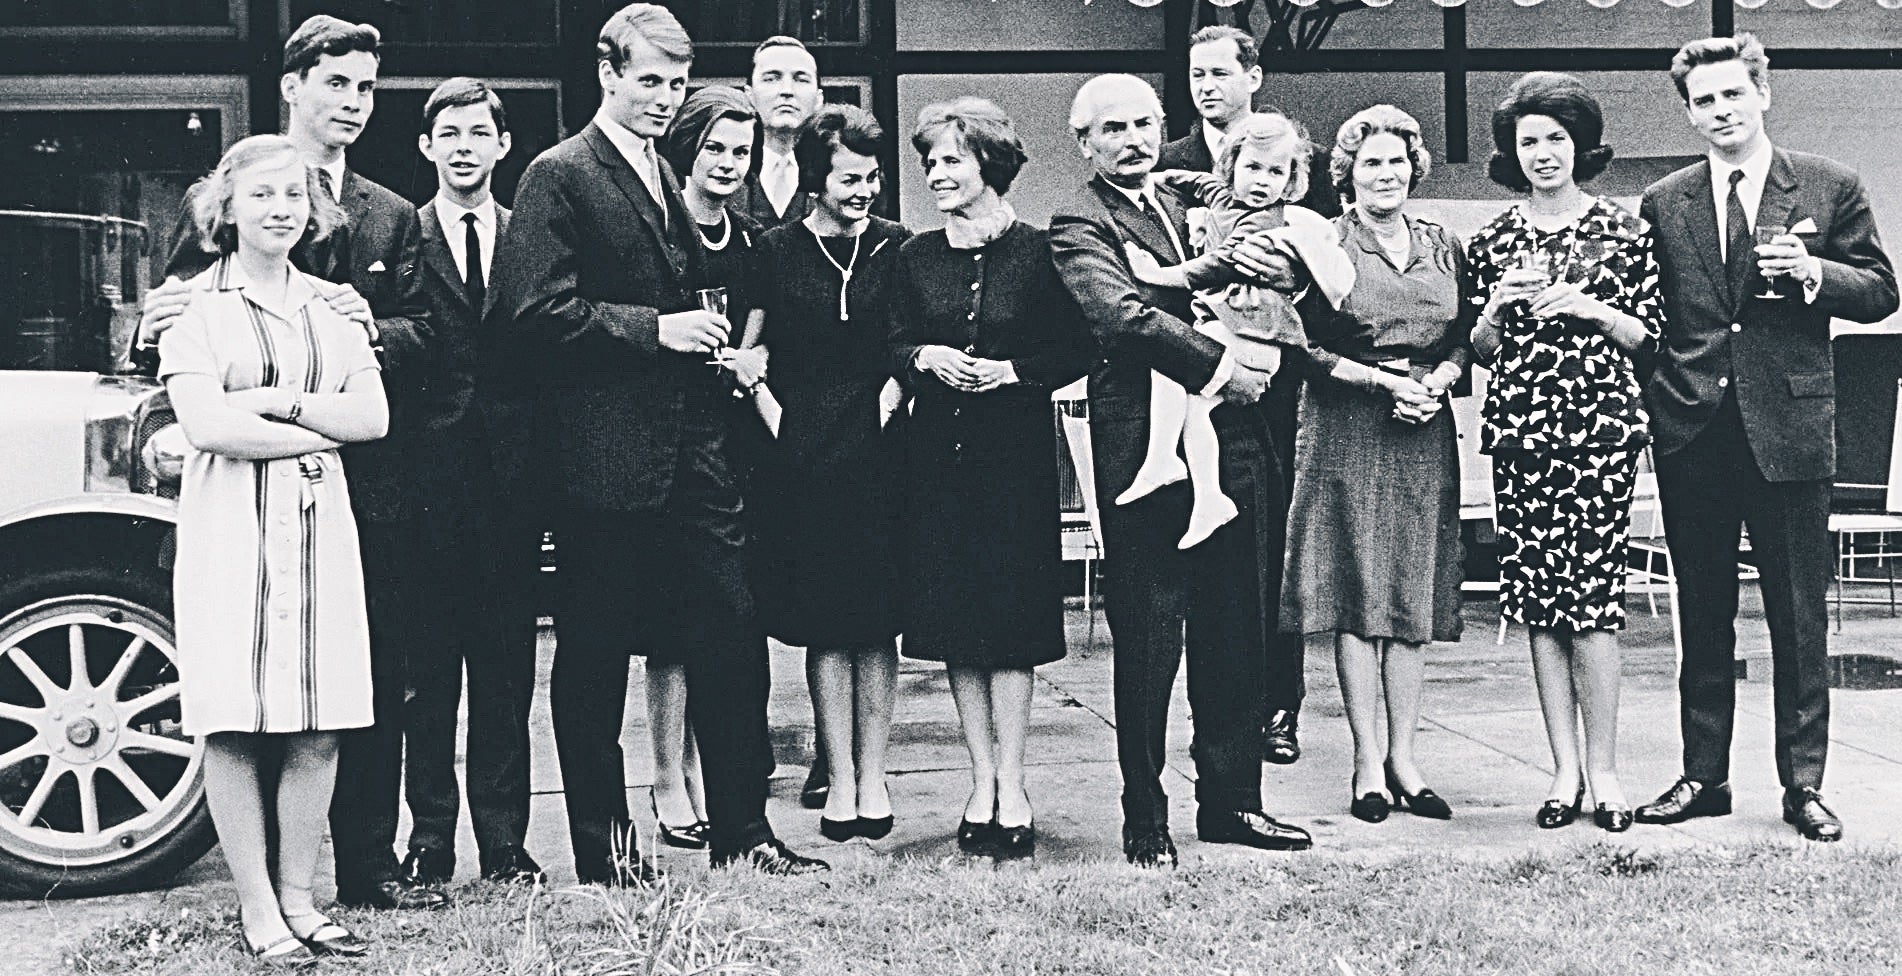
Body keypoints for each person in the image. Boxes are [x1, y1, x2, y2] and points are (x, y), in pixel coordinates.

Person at [483, 2, 826, 880]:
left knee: (732, 633)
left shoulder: (664, 178)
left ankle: (743, 835)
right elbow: (527, 314)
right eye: (649, 81)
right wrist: (654, 329)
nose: (666, 99)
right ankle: (604, 852)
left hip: (695, 457)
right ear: (608, 73)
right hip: (603, 463)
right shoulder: (559, 174)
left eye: (676, 83)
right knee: (595, 655)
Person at [136, 14, 445, 911]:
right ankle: (263, 896)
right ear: (293, 87)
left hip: (356, 501)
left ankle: (360, 869)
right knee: (242, 706)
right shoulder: (220, 219)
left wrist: (357, 332)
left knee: (348, 696)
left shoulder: (391, 214)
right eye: (336, 84)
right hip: (237, 502)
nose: (352, 103)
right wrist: (184, 415)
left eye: (365, 88)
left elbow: (422, 345)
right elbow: (171, 358)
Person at [1634, 34, 1897, 843]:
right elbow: (1654, 316)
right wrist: (1660, 399)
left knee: (1797, 615)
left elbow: (1882, 289)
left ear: (1763, 95)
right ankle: (1702, 775)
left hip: (1789, 429)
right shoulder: (1665, 199)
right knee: (1704, 611)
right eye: (1704, 101)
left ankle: (1805, 783)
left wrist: (1816, 274)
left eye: (1732, 95)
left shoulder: (1827, 184)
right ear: (1689, 111)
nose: (1720, 111)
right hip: (1695, 429)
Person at [1050, 73, 1312, 868]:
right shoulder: (1078, 219)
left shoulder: (1197, 198)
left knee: (1239, 630)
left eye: (1144, 123)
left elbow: (1264, 269)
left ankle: (1234, 802)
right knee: (1152, 635)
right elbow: (1120, 314)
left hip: (1236, 443)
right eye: (1114, 128)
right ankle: (1145, 814)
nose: (1133, 139)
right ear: (1084, 141)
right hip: (1146, 454)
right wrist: (1219, 364)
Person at [160, 134, 387, 963]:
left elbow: (373, 419)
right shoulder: (195, 308)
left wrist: (274, 399)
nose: (280, 210)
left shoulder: (332, 306)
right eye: (261, 196)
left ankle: (301, 897)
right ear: (227, 207)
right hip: (231, 533)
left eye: (294, 196)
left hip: (321, 533)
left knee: (318, 724)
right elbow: (206, 426)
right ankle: (257, 906)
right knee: (234, 723)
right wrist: (309, 422)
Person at [889, 97, 1095, 857]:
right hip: (936, 464)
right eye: (931, 162)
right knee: (957, 630)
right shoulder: (913, 257)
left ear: (989, 164)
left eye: (952, 159)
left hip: (1013, 465)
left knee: (1011, 630)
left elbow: (1079, 347)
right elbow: (892, 342)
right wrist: (921, 359)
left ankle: (1015, 780)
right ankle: (979, 780)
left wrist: (1013, 371)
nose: (938, 174)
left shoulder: (1040, 253)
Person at [1466, 72, 1664, 834]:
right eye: (1529, 141)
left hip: (1600, 433)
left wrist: (1593, 308)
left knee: (1594, 609)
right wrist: (1495, 308)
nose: (1544, 152)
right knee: (1538, 608)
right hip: (1521, 436)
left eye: (1556, 138)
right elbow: (1479, 350)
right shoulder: (1492, 241)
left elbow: (1652, 339)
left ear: (1581, 144)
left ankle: (1608, 771)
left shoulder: (1625, 231)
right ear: (1512, 154)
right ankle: (1563, 770)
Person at [1282, 105, 1466, 824]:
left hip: (1425, 424)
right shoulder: (1326, 241)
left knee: (1410, 593)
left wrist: (1441, 380)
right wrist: (1386, 383)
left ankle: (1406, 759)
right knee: (1358, 593)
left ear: (1413, 168)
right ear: (1347, 175)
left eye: (1396, 161)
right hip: (1349, 421)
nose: (1384, 174)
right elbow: (1305, 348)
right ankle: (1366, 762)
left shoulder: (1443, 242)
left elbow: (1464, 330)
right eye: (1369, 164)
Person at [1155, 24, 1320, 764]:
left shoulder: (1285, 153)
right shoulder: (1168, 167)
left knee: (1274, 549)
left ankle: (1277, 706)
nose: (1207, 86)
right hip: (1194, 372)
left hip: (1277, 378)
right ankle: (1211, 717)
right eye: (1196, 74)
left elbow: (1320, 259)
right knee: (1201, 554)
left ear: (1254, 75)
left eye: (1222, 71)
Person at [750, 104, 910, 842]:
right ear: (816, 178)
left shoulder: (897, 247)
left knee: (877, 626)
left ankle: (874, 777)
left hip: (881, 457)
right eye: (849, 177)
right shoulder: (774, 250)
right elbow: (751, 354)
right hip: (802, 462)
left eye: (872, 176)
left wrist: (881, 412)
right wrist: (783, 426)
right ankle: (838, 777)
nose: (864, 190)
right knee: (827, 625)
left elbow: (906, 349)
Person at [405, 76, 542, 885]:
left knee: (504, 674)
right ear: (427, 147)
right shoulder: (402, 234)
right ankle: (429, 840)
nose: (463, 147)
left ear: (502, 145)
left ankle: (504, 842)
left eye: (477, 133)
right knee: (429, 681)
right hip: (426, 491)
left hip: (513, 493)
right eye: (448, 134)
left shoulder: (531, 237)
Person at [1122, 111, 1354, 551]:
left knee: (1177, 365)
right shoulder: (1226, 199)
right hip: (1231, 329)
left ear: (1290, 182)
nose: (1262, 181)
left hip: (1260, 337)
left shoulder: (1265, 220)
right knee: (1196, 405)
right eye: (1252, 167)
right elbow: (1200, 183)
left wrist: (1159, 274)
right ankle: (1206, 494)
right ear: (1231, 167)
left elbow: (1218, 264)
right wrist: (1160, 177)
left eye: (1275, 172)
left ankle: (1162, 461)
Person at [647, 83, 769, 850]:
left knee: (729, 624)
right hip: (665, 446)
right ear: (686, 149)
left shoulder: (752, 240)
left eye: (740, 152)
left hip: (732, 446)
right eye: (715, 148)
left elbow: (761, 328)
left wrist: (751, 355)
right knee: (667, 631)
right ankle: (667, 778)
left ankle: (731, 785)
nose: (726, 163)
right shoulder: (659, 230)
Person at [737, 35, 823, 229]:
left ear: (819, 99)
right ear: (749, 95)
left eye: (800, 79)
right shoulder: (728, 170)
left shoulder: (839, 176)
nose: (786, 91)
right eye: (771, 78)